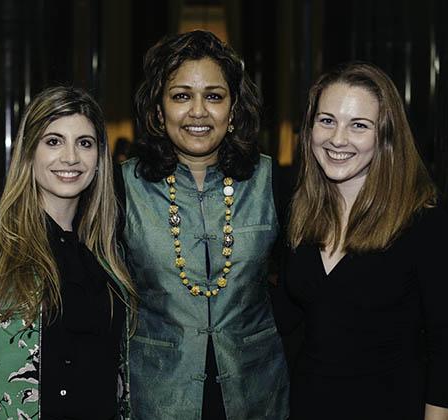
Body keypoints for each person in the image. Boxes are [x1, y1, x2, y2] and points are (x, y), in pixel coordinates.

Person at [0, 86, 135, 419]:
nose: (71, 158)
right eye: (53, 141)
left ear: (99, 159)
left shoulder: (109, 250)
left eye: (85, 143)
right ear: (29, 150)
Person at [116, 30, 289, 419]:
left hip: (256, 394)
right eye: (181, 96)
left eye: (214, 96)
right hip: (158, 394)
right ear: (159, 112)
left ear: (233, 110)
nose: (198, 111)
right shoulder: (122, 186)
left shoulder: (272, 182)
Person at [281, 61, 448, 419]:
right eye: (327, 120)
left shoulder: (424, 219)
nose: (337, 139)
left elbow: (446, 347)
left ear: (385, 136)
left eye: (359, 125)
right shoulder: (300, 211)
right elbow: (288, 319)